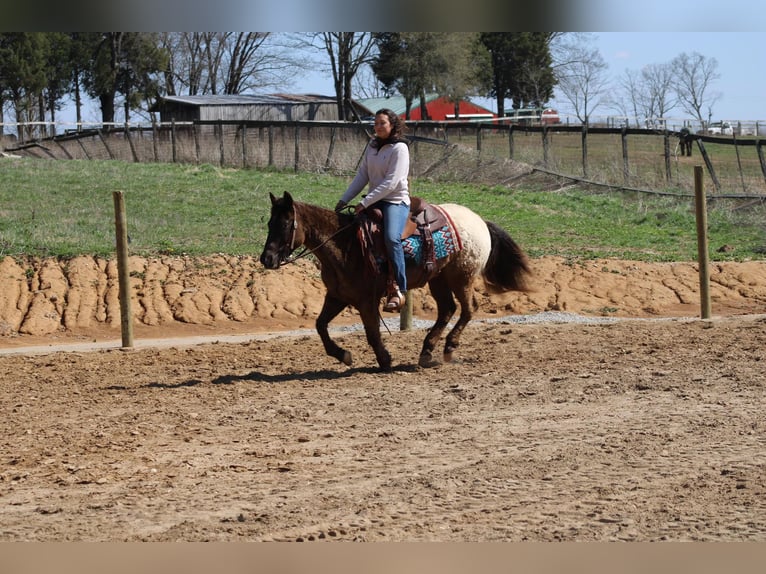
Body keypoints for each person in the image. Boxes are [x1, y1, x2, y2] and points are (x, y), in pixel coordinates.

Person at [335, 108, 411, 312]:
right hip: (374, 200)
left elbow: (391, 182)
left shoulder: (400, 149)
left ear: (392, 125)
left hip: (395, 201)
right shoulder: (372, 146)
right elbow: (363, 175)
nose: (377, 127)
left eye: (382, 123)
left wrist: (365, 202)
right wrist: (345, 199)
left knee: (391, 237)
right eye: (375, 123)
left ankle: (399, 288)